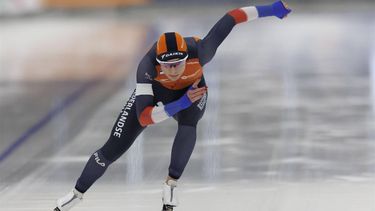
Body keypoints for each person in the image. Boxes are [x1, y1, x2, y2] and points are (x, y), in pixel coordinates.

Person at [53, 1, 291, 211]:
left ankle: (171, 185)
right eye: (167, 66)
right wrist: (181, 102)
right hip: (161, 94)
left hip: (192, 91)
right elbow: (145, 117)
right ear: (158, 63)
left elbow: (232, 17)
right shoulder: (146, 68)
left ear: (186, 57)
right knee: (112, 149)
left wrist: (272, 9)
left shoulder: (202, 51)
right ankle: (75, 195)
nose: (173, 70)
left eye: (178, 64)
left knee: (189, 125)